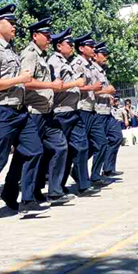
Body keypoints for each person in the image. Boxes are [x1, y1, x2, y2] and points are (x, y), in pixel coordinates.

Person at [0, 4, 42, 223]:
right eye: (10, 23)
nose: (14, 26)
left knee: (34, 150)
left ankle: (22, 197)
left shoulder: (10, 50)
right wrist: (20, 80)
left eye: (14, 22)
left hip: (20, 111)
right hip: (1, 111)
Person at [18, 18, 71, 204]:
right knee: (32, 153)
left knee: (60, 146)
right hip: (34, 112)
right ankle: (27, 195)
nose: (49, 39)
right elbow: (25, 81)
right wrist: (51, 85)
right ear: (35, 36)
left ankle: (54, 190)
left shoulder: (42, 56)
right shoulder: (29, 54)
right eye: (46, 35)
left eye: (50, 35)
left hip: (47, 112)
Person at [47, 28, 97, 197]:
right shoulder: (53, 62)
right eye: (68, 44)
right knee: (62, 150)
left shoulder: (67, 62)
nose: (71, 46)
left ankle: (84, 184)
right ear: (59, 46)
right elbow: (54, 87)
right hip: (60, 112)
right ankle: (55, 188)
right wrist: (76, 83)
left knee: (82, 147)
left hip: (73, 111)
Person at [73, 33, 111, 189]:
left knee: (101, 142)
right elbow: (74, 86)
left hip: (92, 109)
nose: (94, 48)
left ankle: (94, 175)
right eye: (90, 46)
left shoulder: (89, 65)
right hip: (82, 108)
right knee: (81, 147)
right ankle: (82, 178)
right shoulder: (78, 64)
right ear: (82, 48)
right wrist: (93, 88)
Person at [92, 42, 122, 177]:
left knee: (116, 137)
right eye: (103, 54)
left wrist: (109, 95)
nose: (106, 57)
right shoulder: (91, 70)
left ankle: (108, 168)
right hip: (97, 111)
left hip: (106, 110)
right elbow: (86, 91)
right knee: (95, 144)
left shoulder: (101, 71)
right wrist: (106, 91)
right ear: (95, 55)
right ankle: (85, 172)